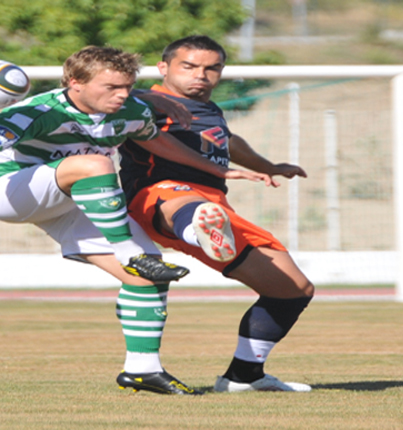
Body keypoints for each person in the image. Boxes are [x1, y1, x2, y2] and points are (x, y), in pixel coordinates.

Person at [0, 46, 268, 395]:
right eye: (112, 88)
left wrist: (220, 170)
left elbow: (158, 142)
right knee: (96, 164)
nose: (122, 95)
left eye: (128, 86)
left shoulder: (131, 108)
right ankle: (128, 250)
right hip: (9, 189)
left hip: (73, 195)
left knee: (147, 273)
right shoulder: (39, 110)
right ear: (74, 83)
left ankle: (142, 370)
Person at [119, 35, 315, 392]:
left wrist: (270, 166)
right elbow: (107, 98)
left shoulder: (210, 111)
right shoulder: (139, 103)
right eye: (189, 66)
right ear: (163, 68)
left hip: (216, 205)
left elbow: (226, 141)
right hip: (157, 195)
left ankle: (243, 377)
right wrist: (148, 96)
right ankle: (198, 228)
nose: (201, 75)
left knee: (293, 289)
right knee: (189, 204)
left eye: (212, 68)